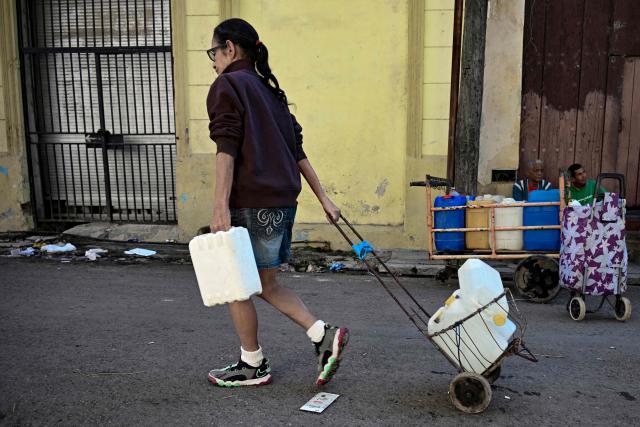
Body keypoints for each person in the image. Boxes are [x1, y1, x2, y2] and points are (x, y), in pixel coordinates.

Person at [205, 18, 349, 388]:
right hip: (282, 200)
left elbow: (226, 148)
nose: (214, 61)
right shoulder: (272, 93)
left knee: (237, 284)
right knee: (266, 283)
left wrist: (220, 205)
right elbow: (297, 151)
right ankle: (322, 335)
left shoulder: (228, 85)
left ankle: (252, 365)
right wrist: (325, 198)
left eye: (214, 53)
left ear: (230, 49)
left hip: (251, 200)